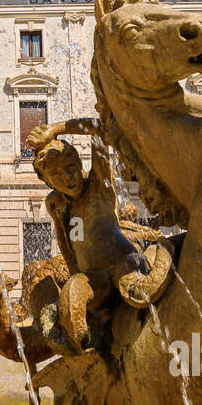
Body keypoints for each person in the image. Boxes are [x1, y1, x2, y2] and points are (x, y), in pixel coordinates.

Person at [26, 119, 163, 353]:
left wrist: (55, 129)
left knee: (134, 291)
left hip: (126, 265)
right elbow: (66, 243)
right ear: (47, 181)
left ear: (80, 163)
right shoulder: (56, 203)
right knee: (69, 298)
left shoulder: (100, 186)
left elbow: (99, 127)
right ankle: (88, 355)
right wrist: (73, 274)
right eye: (56, 174)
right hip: (94, 279)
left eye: (70, 167)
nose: (67, 177)